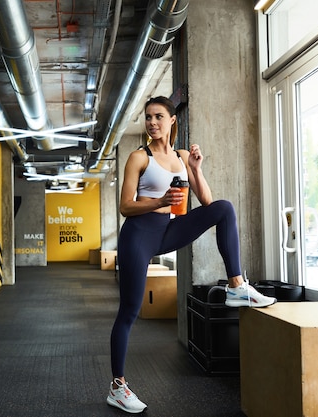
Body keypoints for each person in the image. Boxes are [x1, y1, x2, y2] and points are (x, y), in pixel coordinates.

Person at [106, 96, 276, 414]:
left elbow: (207, 202)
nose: (152, 122)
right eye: (148, 118)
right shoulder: (138, 157)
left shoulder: (183, 156)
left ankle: (237, 286)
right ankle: (118, 386)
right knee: (129, 311)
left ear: (173, 121)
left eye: (159, 117)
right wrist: (160, 202)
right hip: (138, 237)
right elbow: (125, 206)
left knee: (224, 208)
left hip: (168, 231)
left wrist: (196, 170)